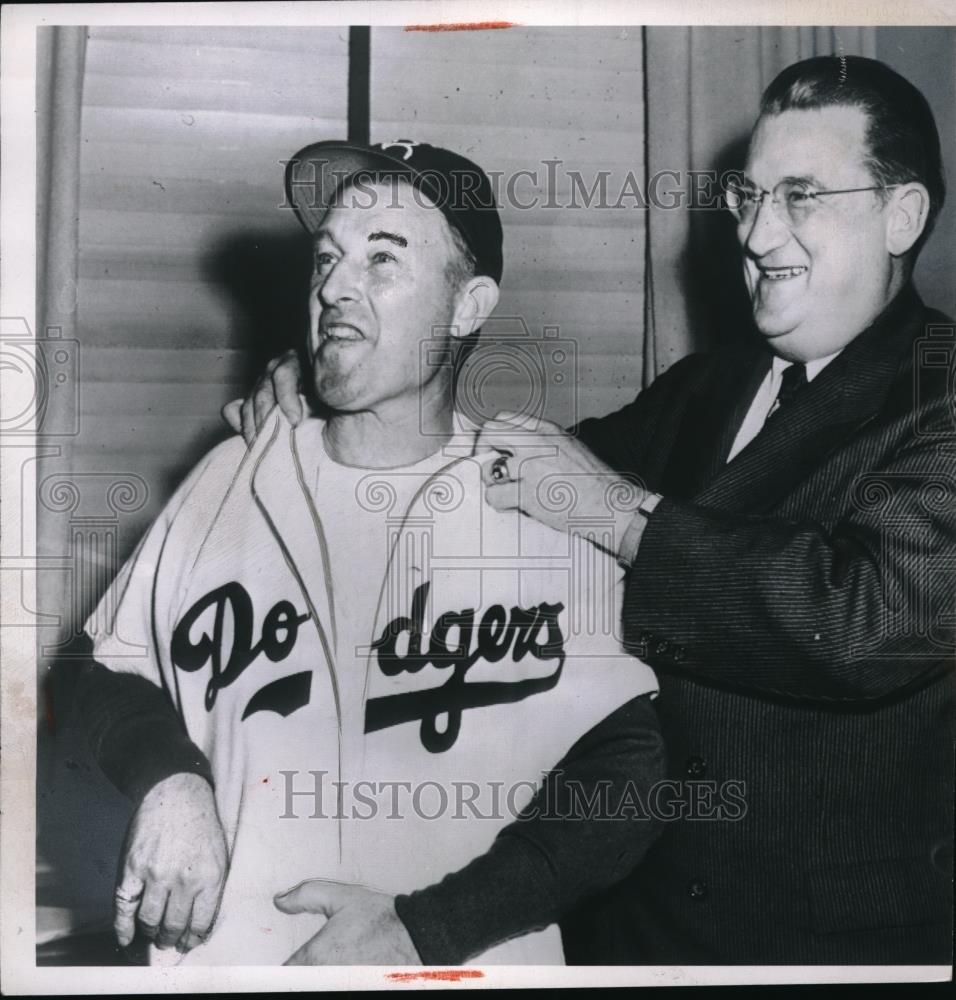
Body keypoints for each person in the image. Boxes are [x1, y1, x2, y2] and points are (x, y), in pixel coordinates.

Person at [232, 56, 955, 965]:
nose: (758, 232)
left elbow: (866, 618)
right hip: (629, 934)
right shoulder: (710, 385)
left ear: (903, 215)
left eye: (800, 195)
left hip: (828, 950)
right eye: (747, 195)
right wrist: (341, 377)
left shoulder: (942, 388)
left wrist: (620, 516)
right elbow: (503, 474)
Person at [76, 139, 665, 966]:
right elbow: (108, 672)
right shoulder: (231, 474)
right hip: (235, 966)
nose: (335, 289)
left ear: (469, 306)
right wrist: (169, 780)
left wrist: (428, 926)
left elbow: (628, 777)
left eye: (383, 260)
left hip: (466, 966)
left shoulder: (536, 495)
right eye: (327, 258)